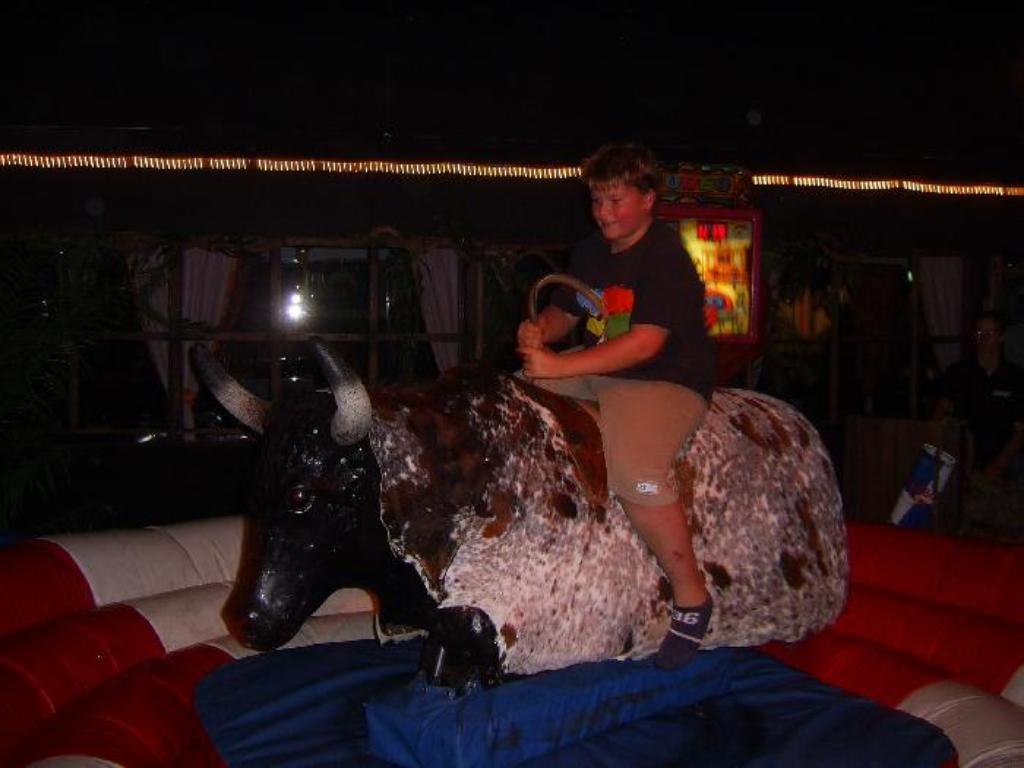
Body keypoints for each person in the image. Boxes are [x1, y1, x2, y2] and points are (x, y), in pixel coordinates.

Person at [517, 142, 716, 669]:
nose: (603, 213)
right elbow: (568, 312)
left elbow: (646, 344)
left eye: (615, 200)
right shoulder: (591, 252)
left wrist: (558, 367)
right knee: (511, 403)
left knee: (636, 472)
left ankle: (692, 597)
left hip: (664, 378)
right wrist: (541, 331)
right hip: (601, 370)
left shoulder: (665, 256)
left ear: (648, 199)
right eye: (597, 201)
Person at [933, 311, 1024, 481]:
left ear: (1001, 337)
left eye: (990, 333)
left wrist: (997, 467)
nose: (984, 338)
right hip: (961, 455)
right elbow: (940, 413)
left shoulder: (1015, 377)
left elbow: (1020, 431)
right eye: (980, 332)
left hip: (1004, 457)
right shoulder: (958, 372)